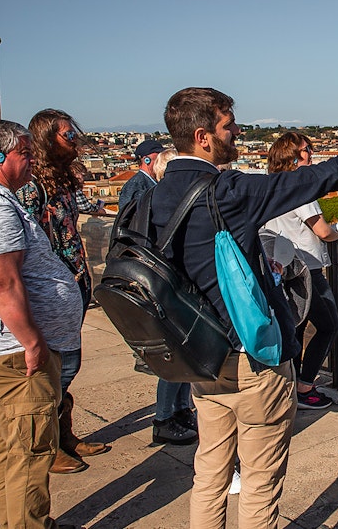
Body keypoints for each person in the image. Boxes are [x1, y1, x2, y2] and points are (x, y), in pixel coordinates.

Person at [151, 87, 338, 529]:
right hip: (249, 358)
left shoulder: (156, 194)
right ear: (203, 136)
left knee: (211, 473)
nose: (237, 131)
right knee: (259, 479)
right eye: (227, 125)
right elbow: (328, 175)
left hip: (199, 354)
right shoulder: (228, 191)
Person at [0, 118, 84, 528]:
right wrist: (33, 344)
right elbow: (1, 281)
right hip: (12, 356)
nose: (31, 161)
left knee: (9, 452)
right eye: (24, 154)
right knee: (29, 454)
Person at [16, 109, 110, 472]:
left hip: (73, 285)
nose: (75, 141)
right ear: (46, 139)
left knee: (68, 365)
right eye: (68, 136)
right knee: (56, 371)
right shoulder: (30, 186)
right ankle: (46, 446)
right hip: (48, 291)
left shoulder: (62, 180)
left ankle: (63, 437)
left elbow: (84, 210)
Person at [117, 140, 198, 447]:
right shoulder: (143, 190)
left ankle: (178, 411)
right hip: (158, 283)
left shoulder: (151, 190)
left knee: (181, 356)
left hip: (163, 281)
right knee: (172, 357)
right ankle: (164, 418)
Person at [263, 132, 338, 410]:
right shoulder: (301, 189)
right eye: (306, 149)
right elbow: (322, 230)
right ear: (292, 157)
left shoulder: (271, 186)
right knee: (330, 326)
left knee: (295, 328)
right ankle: (306, 387)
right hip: (307, 268)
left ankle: (290, 387)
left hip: (281, 269)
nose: (311, 153)